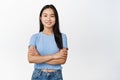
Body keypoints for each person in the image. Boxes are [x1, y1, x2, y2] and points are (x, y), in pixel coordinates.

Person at [28, 4, 68, 80]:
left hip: (56, 76)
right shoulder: (34, 37)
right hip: (38, 75)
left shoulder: (62, 37)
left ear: (56, 18)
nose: (48, 19)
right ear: (41, 18)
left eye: (52, 16)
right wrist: (54, 56)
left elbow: (62, 60)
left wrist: (39, 57)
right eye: (45, 16)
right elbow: (31, 59)